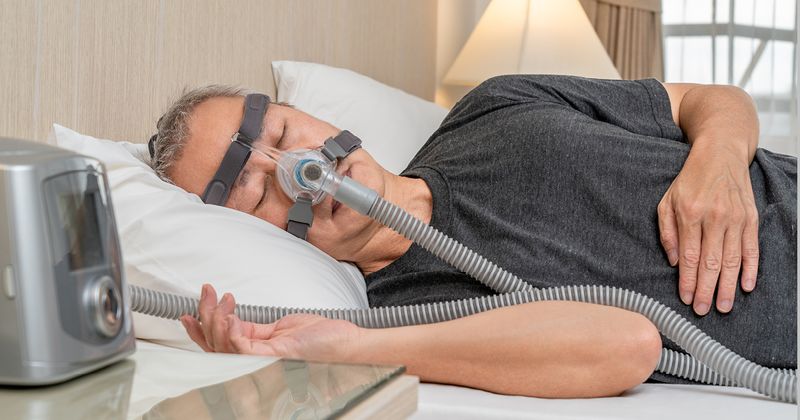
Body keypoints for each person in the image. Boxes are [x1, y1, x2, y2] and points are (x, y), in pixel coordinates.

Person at [148, 76, 796, 398]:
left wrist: (717, 161)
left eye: (286, 138)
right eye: (257, 193)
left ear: (313, 118)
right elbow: (629, 343)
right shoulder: (407, 313)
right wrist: (348, 349)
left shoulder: (496, 106)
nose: (299, 174)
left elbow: (709, 100)